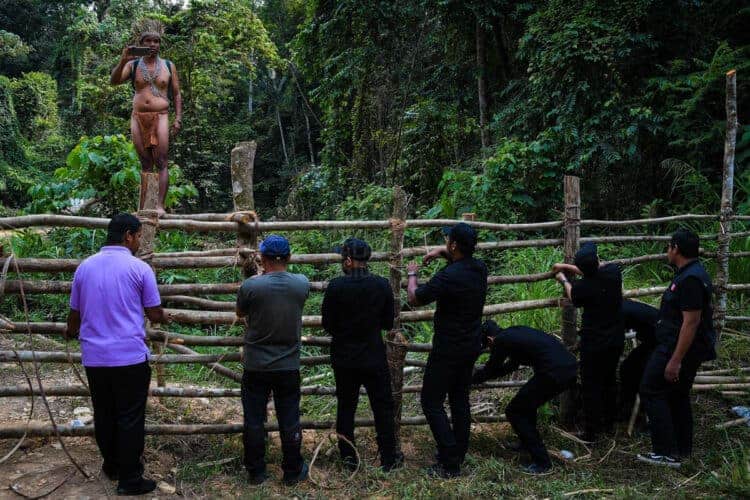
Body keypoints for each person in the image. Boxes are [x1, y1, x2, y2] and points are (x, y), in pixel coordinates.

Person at [64, 213, 168, 496]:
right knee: (130, 417)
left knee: (105, 412)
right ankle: (131, 477)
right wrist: (165, 315)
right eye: (138, 237)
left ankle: (111, 465)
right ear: (128, 236)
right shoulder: (139, 269)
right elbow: (154, 313)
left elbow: (74, 316)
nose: (139, 242)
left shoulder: (84, 268)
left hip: (95, 358)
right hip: (129, 358)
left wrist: (70, 332)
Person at [407, 222, 488, 478]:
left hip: (448, 348)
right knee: (459, 399)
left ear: (453, 245)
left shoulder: (448, 277)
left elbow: (415, 297)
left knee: (430, 401)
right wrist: (440, 253)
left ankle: (449, 459)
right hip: (471, 345)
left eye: (447, 240)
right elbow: (458, 262)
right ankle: (459, 452)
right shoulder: (479, 268)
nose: (445, 243)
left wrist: (412, 274)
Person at [321, 238, 403, 471]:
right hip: (374, 355)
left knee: (346, 407)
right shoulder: (382, 285)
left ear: (348, 260)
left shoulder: (336, 286)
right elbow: (388, 323)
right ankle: (389, 458)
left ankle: (348, 458)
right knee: (382, 407)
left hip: (344, 357)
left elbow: (327, 324)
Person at [637, 229, 717, 468]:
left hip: (677, 348)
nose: (667, 251)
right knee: (677, 395)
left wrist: (675, 360)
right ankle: (681, 449)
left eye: (669, 247)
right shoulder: (690, 273)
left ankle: (664, 451)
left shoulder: (691, 279)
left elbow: (691, 323)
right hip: (679, 346)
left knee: (650, 389)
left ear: (676, 249)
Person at [236, 235, 310, 485]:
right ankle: (292, 471)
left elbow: (240, 313)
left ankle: (256, 472)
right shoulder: (302, 284)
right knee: (289, 418)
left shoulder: (251, 287)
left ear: (262, 258)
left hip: (256, 364)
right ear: (289, 258)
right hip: (288, 365)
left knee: (254, 419)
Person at [472, 321, 577, 475]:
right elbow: (510, 367)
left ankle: (542, 462)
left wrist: (472, 379)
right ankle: (526, 444)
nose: (490, 349)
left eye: (488, 347)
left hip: (554, 373)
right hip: (567, 368)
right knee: (526, 406)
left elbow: (491, 368)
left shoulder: (501, 341)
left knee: (515, 412)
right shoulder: (514, 333)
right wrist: (480, 377)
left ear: (489, 340)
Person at [110, 19, 182, 216]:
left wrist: (178, 119)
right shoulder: (133, 65)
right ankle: (144, 206)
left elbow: (176, 93)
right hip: (138, 116)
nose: (152, 44)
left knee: (161, 160)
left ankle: (159, 205)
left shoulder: (168, 65)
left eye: (156, 41)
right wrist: (124, 59)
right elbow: (114, 81)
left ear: (160, 44)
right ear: (141, 44)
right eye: (148, 41)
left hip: (161, 115)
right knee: (145, 162)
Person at [553, 242, 624, 441]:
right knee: (609, 380)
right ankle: (609, 423)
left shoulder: (583, 288)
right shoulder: (613, 273)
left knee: (590, 386)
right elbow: (594, 270)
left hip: (594, 344)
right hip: (615, 339)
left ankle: (591, 431)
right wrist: (567, 267)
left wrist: (562, 277)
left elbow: (572, 293)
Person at [618, 299, 658, 422]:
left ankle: (648, 414)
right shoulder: (620, 305)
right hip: (654, 340)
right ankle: (628, 406)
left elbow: (615, 340)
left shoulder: (617, 311)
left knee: (640, 374)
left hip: (663, 342)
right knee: (628, 368)